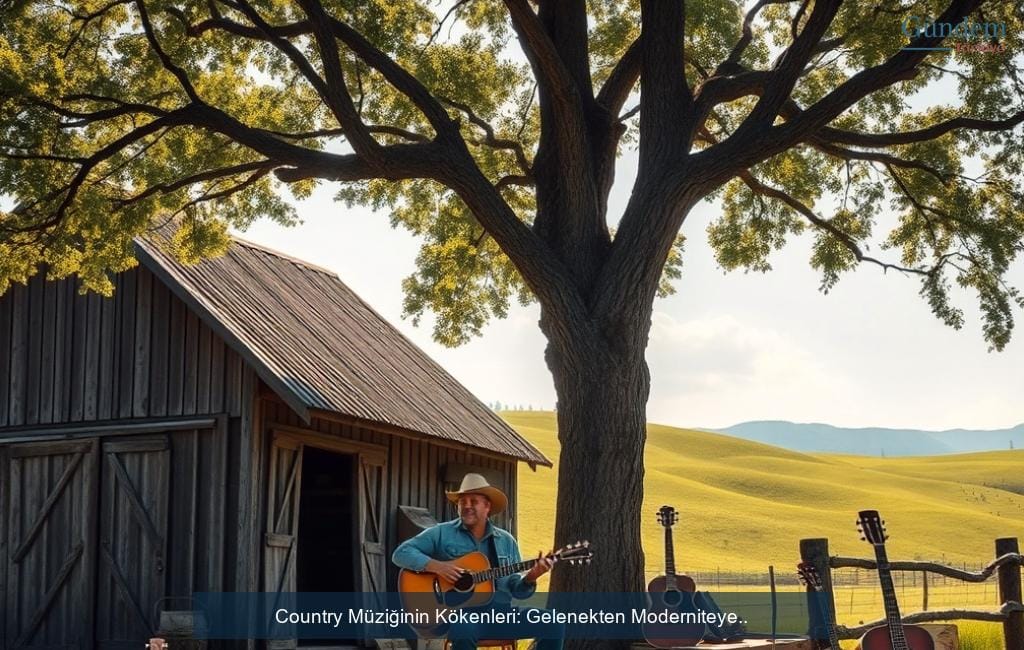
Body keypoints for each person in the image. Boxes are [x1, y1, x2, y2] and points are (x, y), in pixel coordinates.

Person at [392, 473, 564, 650]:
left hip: (502, 616)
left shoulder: (506, 541)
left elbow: (519, 592)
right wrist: (439, 567)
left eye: (473, 501)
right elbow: (401, 553)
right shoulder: (442, 533)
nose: (467, 506)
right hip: (464, 617)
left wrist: (531, 577)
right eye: (462, 502)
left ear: (487, 506)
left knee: (553, 622)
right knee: (463, 629)